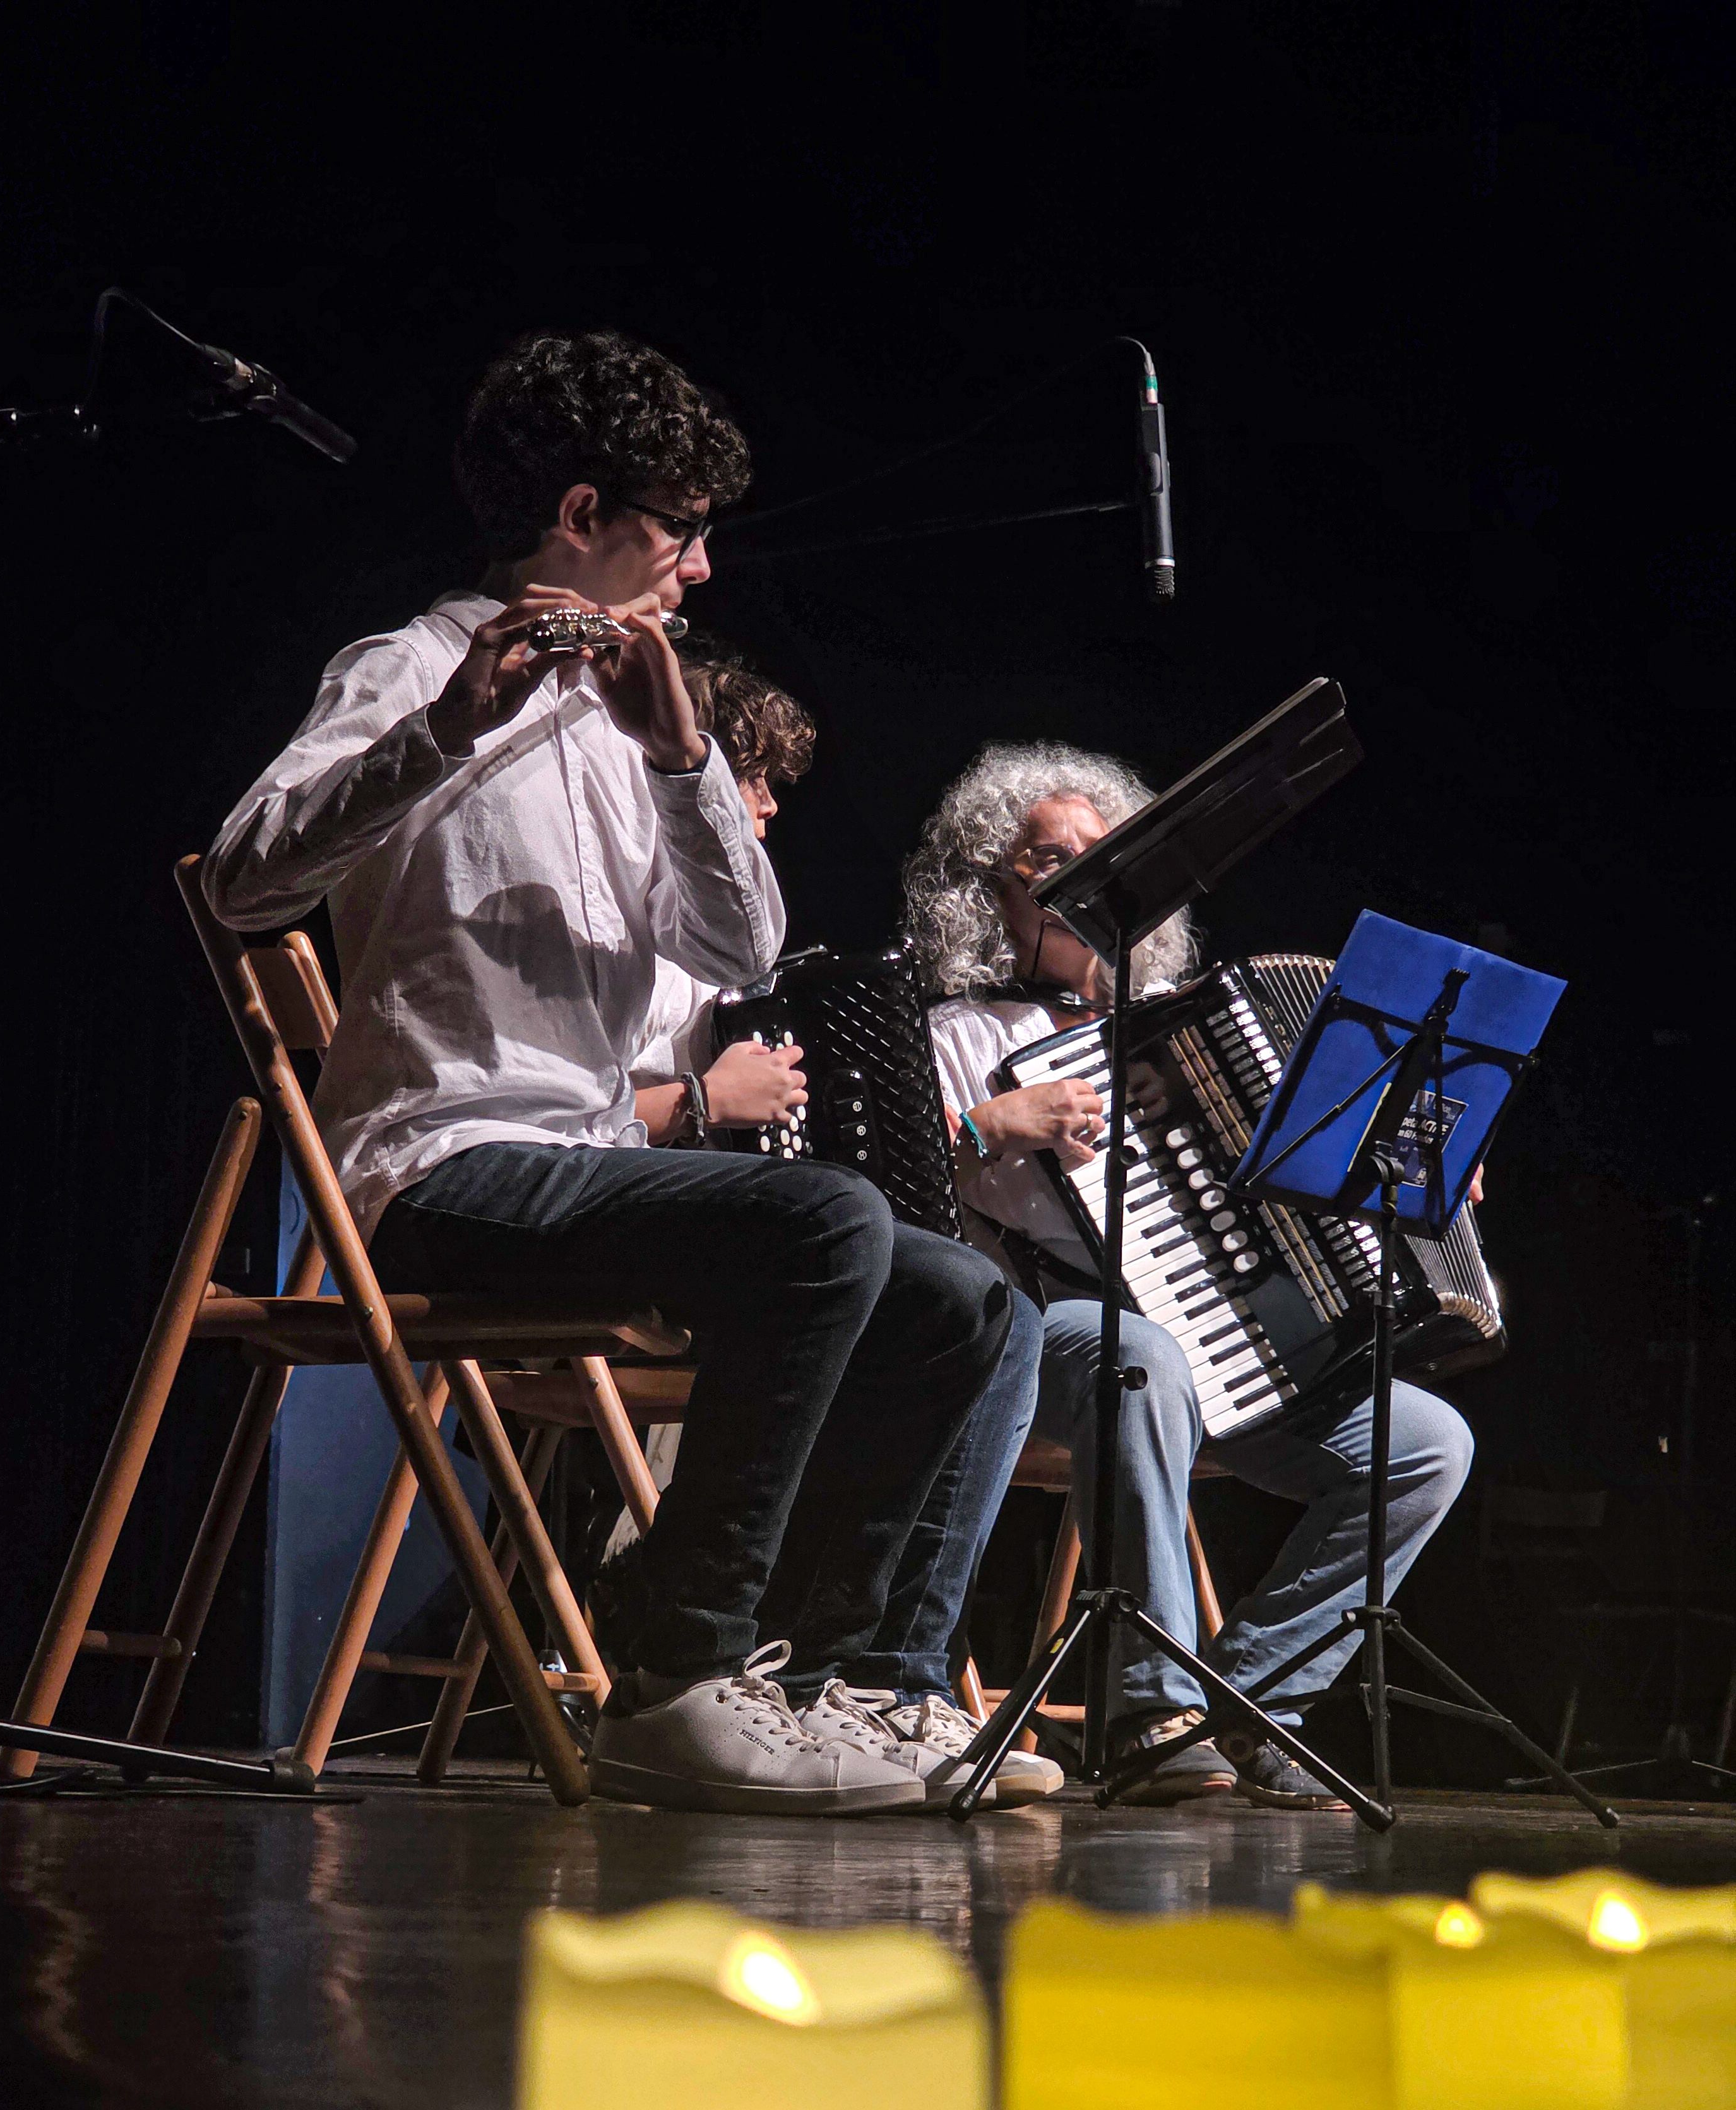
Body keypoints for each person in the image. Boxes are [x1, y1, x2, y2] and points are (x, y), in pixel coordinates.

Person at [204, 329, 1016, 1818]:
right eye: (679, 530)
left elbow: (739, 941)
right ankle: (676, 1673)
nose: (699, 569)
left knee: (963, 1298)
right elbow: (243, 880)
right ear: (580, 515)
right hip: (440, 1172)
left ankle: (826, 1681)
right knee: (827, 1220)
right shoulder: (407, 668)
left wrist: (682, 759)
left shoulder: (633, 722)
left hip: (588, 1168)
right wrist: (451, 731)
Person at [905, 741, 1477, 1809]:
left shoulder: (1202, 1030)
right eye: (1043, 857)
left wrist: (1416, 1160)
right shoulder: (953, 1031)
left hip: (1233, 1340)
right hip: (1048, 1334)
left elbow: (1303, 1196)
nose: (1074, 877)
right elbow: (895, 1204)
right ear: (992, 883)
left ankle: (1257, 1699)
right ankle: (1148, 1713)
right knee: (1143, 1356)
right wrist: (990, 1123)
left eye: (1097, 855)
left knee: (1428, 1444)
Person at [612, 648, 1060, 1805]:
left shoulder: (716, 950)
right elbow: (553, 1121)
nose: (757, 809)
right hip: (622, 1247)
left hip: (726, 1246)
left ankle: (866, 1678)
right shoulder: (614, 940)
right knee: (872, 1258)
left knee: (980, 1303)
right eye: (747, 778)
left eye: (758, 788)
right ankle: (778, 1659)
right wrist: (706, 1105)